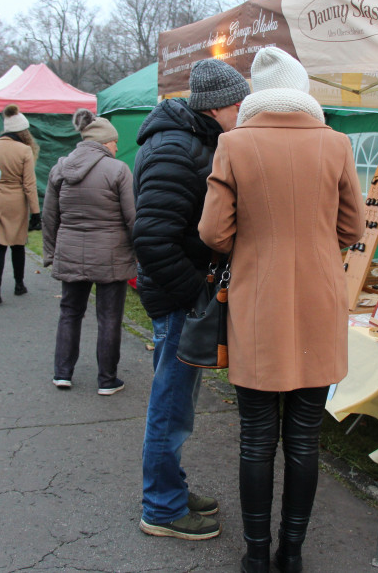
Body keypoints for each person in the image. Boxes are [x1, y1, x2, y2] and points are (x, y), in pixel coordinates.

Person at [198, 48, 365, 572]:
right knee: (304, 436)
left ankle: (254, 556)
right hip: (319, 301)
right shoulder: (336, 144)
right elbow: (354, 230)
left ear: (256, 93)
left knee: (256, 437)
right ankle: (290, 554)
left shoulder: (234, 144)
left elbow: (212, 232)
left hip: (257, 306)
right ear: (302, 90)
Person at [134, 58, 249, 541]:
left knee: (177, 403)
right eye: (241, 104)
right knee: (171, 405)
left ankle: (170, 489)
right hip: (178, 299)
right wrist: (195, 295)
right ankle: (161, 507)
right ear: (221, 105)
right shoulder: (175, 149)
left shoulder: (192, 141)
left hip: (181, 295)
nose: (244, 112)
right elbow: (152, 238)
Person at [42, 108, 135, 394]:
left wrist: (49, 252)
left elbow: (49, 216)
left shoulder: (61, 168)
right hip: (111, 255)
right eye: (115, 141)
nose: (118, 146)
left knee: (69, 312)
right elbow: (133, 217)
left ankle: (62, 373)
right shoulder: (118, 170)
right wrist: (141, 253)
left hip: (70, 250)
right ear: (105, 142)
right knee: (109, 317)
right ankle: (107, 380)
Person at [0, 104, 40, 306]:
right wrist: (35, 211)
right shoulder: (24, 150)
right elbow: (29, 184)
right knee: (17, 245)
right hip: (16, 202)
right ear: (22, 131)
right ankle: (18, 284)